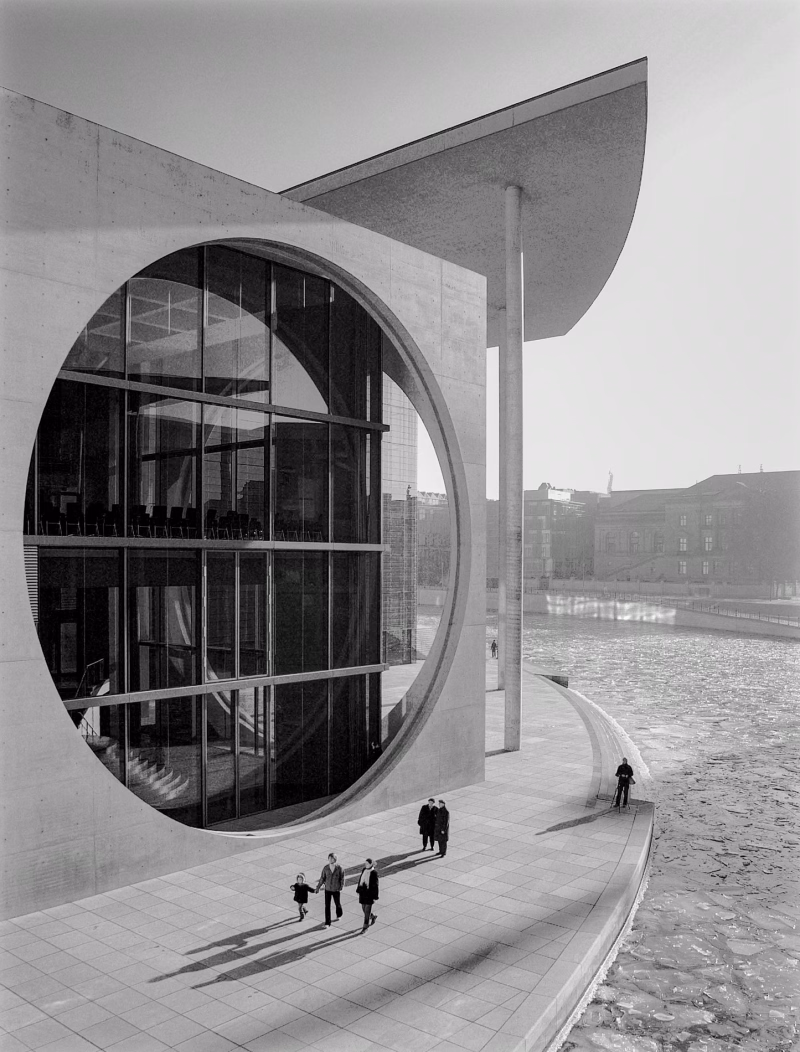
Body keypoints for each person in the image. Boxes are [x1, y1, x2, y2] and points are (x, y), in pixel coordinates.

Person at [315, 852, 345, 927]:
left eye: (332, 858)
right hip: (327, 889)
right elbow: (322, 878)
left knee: (337, 904)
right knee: (327, 906)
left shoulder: (339, 868)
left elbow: (342, 878)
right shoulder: (326, 868)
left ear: (335, 859)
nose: (330, 859)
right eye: (329, 858)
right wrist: (318, 887)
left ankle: (339, 914)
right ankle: (327, 923)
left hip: (336, 890)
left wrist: (341, 887)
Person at [356, 858, 379, 932]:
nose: (365, 865)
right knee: (363, 907)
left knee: (367, 910)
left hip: (369, 894)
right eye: (365, 863)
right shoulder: (364, 870)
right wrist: (358, 889)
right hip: (363, 892)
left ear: (371, 864)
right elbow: (360, 880)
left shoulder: (374, 872)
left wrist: (375, 896)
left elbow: (376, 885)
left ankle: (365, 927)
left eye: (367, 864)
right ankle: (372, 916)